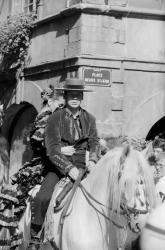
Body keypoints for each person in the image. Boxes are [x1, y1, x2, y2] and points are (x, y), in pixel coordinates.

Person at [28, 78, 100, 249]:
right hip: (59, 167)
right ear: (66, 96)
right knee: (43, 197)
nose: (75, 98)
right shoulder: (55, 118)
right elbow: (52, 150)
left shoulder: (90, 118)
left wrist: (93, 160)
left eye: (78, 95)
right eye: (71, 94)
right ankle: (35, 237)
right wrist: (69, 169)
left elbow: (95, 142)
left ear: (82, 97)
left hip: (83, 166)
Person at [0, 85, 65, 250]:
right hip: (43, 164)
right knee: (31, 198)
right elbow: (46, 145)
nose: (62, 106)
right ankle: (33, 238)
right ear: (50, 101)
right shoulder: (45, 117)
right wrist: (61, 149)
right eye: (59, 102)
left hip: (63, 162)